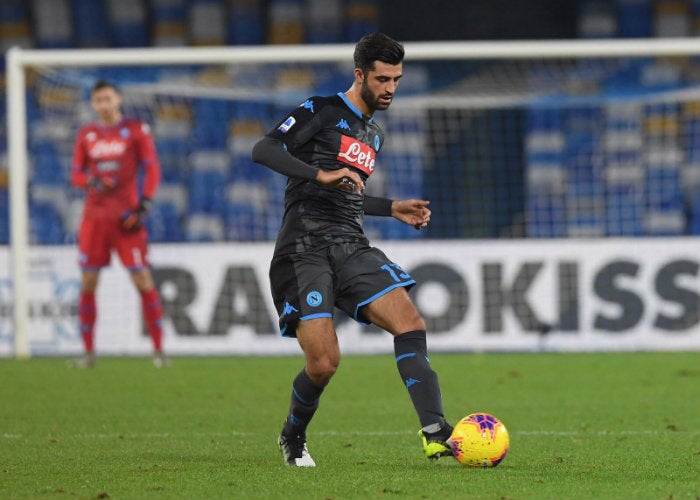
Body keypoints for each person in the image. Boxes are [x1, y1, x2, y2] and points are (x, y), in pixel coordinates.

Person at [251, 32, 453, 467]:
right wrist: (316, 174)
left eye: (397, 79)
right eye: (382, 79)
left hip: (350, 244)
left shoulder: (373, 136)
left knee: (410, 322)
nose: (390, 89)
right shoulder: (321, 110)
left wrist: (391, 207)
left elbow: (349, 192)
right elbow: (263, 148)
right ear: (360, 74)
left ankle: (435, 431)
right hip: (303, 249)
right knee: (324, 362)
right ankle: (293, 434)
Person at [70, 79, 168, 368]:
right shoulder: (86, 134)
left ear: (118, 100)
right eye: (98, 100)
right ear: (92, 103)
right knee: (88, 282)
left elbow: (152, 169)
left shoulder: (135, 131)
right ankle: (88, 354)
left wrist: (144, 205)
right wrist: (92, 180)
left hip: (127, 221)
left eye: (108, 99)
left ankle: (159, 351)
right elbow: (76, 174)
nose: (104, 104)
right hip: (95, 221)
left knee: (142, 279)